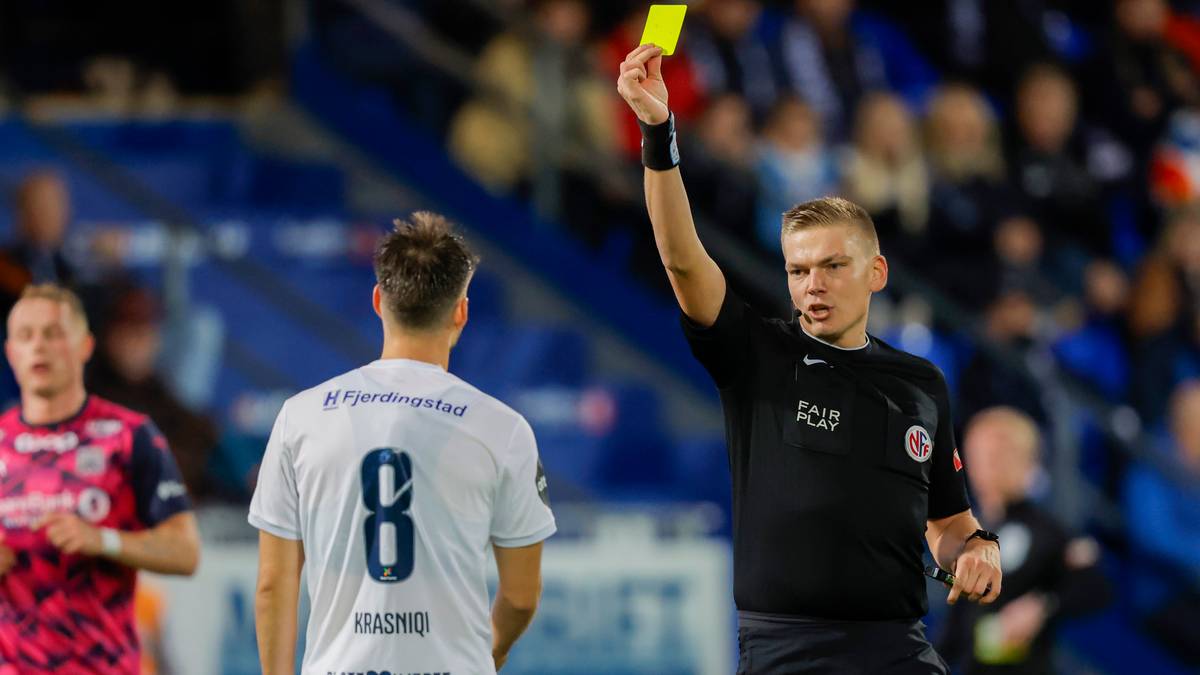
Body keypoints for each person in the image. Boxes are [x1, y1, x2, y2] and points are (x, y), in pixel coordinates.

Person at [617, 44, 1002, 674]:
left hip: (898, 648)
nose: (812, 284)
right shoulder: (757, 355)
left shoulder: (921, 384)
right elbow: (683, 259)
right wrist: (659, 134)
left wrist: (979, 548)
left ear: (876, 272)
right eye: (798, 270)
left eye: (831, 265)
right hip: (786, 653)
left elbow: (949, 524)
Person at [250, 212, 555, 674]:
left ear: (378, 300)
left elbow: (274, 584)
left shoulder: (302, 416)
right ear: (461, 311)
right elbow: (520, 596)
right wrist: (489, 653)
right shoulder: (502, 429)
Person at [0, 283, 200, 673]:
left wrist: (104, 540)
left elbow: (186, 553)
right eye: (26, 335)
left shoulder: (128, 436)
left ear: (85, 347)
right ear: (10, 352)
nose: (38, 346)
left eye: (53, 333)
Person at [939, 407, 1110, 674]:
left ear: (1027, 460)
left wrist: (1041, 607)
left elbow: (1094, 586)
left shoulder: (1045, 529)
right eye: (979, 454)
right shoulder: (968, 534)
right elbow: (954, 631)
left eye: (1000, 455)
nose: (987, 465)